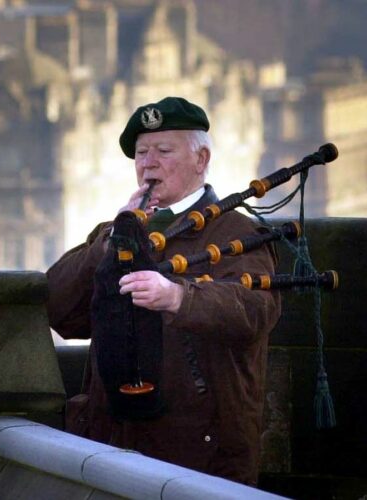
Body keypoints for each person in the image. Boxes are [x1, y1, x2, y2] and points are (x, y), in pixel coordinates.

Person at [47, 96, 281, 486]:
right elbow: (58, 311)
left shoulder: (238, 233)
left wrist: (178, 297)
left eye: (163, 150)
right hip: (111, 441)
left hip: (198, 451)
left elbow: (255, 311)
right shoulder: (115, 232)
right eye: (141, 152)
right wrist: (109, 239)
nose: (148, 162)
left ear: (201, 160)